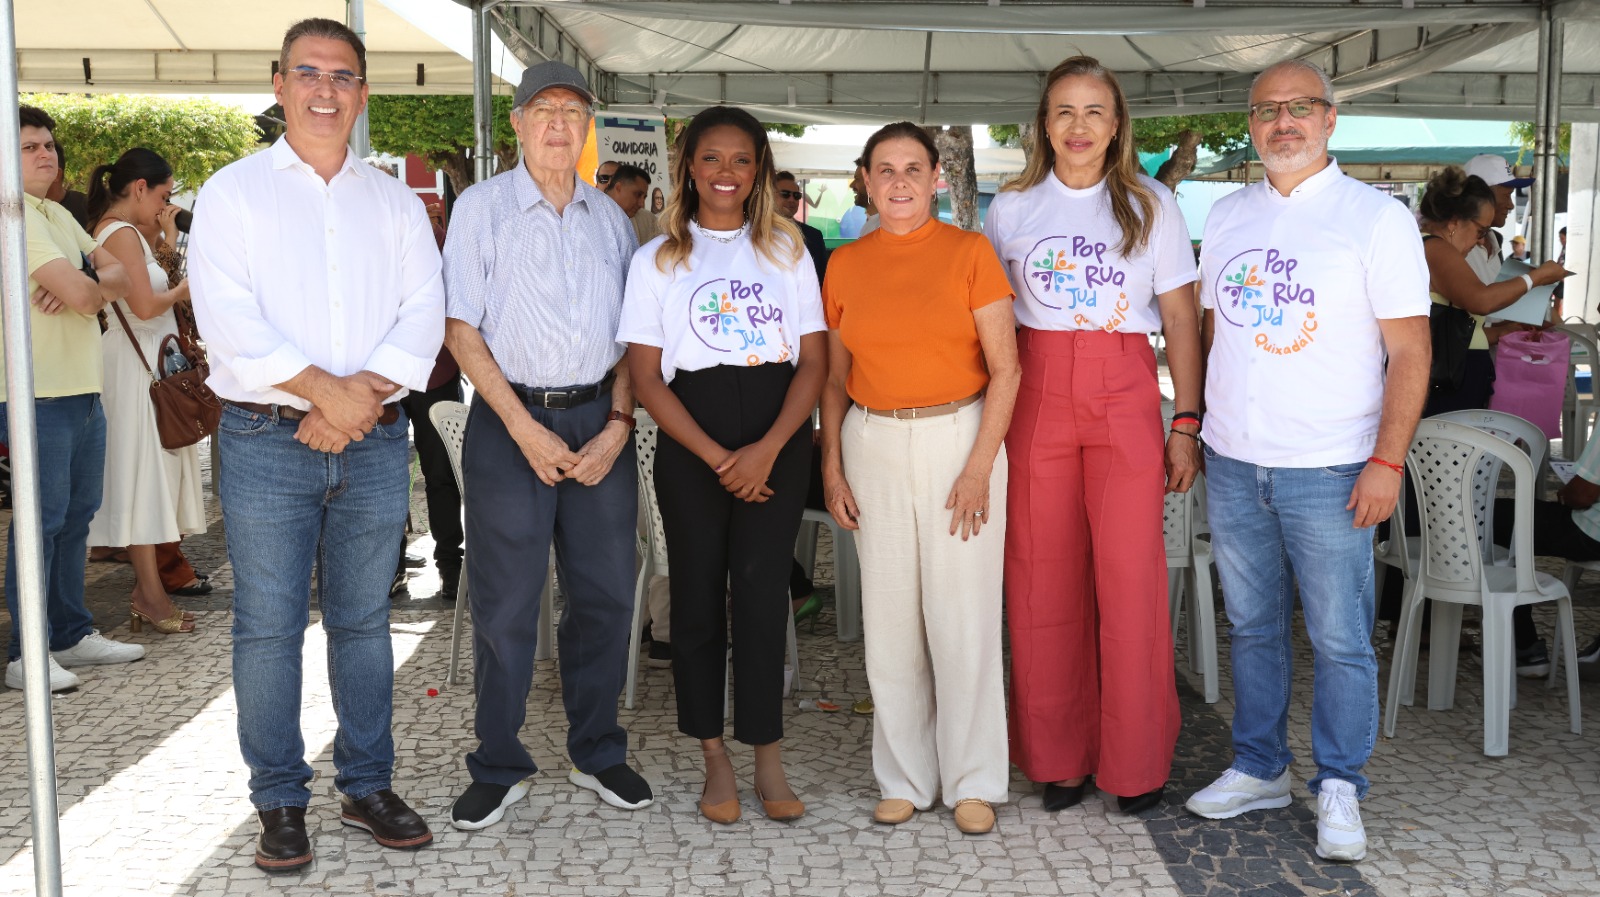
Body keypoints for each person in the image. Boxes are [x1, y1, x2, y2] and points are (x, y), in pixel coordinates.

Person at [188, 18, 443, 871]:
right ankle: (279, 797)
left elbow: (424, 310)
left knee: (365, 621)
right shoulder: (233, 192)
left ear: (362, 92)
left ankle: (366, 783)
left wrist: (352, 403)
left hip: (371, 441)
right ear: (279, 83)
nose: (325, 89)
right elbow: (227, 316)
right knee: (267, 626)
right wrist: (328, 394)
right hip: (266, 437)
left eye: (342, 75)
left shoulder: (394, 200)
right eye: (308, 72)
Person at [1184, 60, 1431, 864]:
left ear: (1330, 119)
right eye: (1267, 110)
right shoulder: (1226, 215)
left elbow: (1411, 351)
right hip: (1234, 460)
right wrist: (1200, 427)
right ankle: (1260, 765)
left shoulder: (1376, 219)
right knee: (1253, 625)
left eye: (1300, 107)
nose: (1282, 122)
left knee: (1340, 636)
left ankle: (1340, 782)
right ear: (1251, 124)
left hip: (1332, 466)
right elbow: (1215, 335)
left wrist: (1387, 460)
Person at [442, 59, 653, 831]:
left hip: (599, 420)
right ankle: (499, 763)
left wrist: (619, 424)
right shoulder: (482, 209)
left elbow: (634, 336)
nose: (559, 124)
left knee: (606, 594)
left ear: (587, 125)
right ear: (518, 123)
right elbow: (460, 329)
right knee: (505, 604)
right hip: (510, 422)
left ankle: (596, 749)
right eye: (544, 110)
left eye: (572, 110)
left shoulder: (611, 219)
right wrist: (523, 426)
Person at [984, 55, 1196, 816]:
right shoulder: (1011, 206)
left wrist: (1186, 420)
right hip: (1035, 386)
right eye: (1064, 111)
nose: (1079, 126)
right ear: (1045, 124)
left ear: (1116, 124)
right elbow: (991, 319)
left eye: (1094, 111)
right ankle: (1058, 758)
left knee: (1130, 577)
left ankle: (1136, 762)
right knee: (1041, 575)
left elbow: (1180, 319)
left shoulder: (1151, 203)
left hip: (1124, 387)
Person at [620, 106, 827, 825]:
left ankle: (767, 752)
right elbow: (645, 376)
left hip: (777, 431)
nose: (726, 173)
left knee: (764, 594)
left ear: (760, 169)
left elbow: (814, 362)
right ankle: (713, 752)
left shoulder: (787, 250)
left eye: (742, 159)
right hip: (691, 436)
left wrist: (767, 448)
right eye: (712, 158)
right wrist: (716, 457)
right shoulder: (656, 259)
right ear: (688, 167)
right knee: (698, 598)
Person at [819, 121, 1020, 836]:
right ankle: (904, 777)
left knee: (963, 617)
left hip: (959, 436)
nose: (898, 181)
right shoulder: (844, 264)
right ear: (865, 181)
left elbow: (1006, 369)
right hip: (871, 439)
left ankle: (974, 779)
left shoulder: (970, 252)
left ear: (937, 177)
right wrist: (831, 464)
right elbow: (834, 379)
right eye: (885, 169)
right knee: (890, 618)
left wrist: (978, 465)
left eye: (912, 168)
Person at [3, 105, 141, 693]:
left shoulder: (55, 212)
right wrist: (87, 286)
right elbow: (91, 295)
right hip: (35, 392)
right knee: (41, 524)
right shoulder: (13, 214)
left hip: (82, 389)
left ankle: (68, 634)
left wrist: (85, 282)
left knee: (76, 518)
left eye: (49, 145)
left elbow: (120, 277)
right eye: (29, 146)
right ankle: (26, 653)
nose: (46, 154)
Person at [84, 148, 207, 636]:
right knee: (141, 480)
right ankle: (149, 596)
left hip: (145, 364)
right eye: (163, 194)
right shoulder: (118, 233)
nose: (166, 204)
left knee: (149, 478)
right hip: (138, 368)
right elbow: (145, 304)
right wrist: (184, 289)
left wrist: (167, 240)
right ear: (139, 188)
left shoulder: (128, 232)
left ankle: (150, 593)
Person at [1417, 167, 1566, 414]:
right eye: (1480, 231)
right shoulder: (1436, 248)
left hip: (1455, 382)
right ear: (1454, 222)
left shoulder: (1430, 246)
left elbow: (1451, 332)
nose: (1479, 241)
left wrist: (1503, 331)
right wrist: (1536, 277)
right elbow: (1481, 300)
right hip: (1446, 389)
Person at [774, 170, 828, 283]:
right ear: (770, 196)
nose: (792, 200)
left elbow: (822, 279)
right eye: (785, 194)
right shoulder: (756, 234)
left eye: (796, 196)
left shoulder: (814, 236)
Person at [603, 163, 662, 243]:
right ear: (618, 187)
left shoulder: (648, 220)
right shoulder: (591, 216)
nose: (641, 204)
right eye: (638, 194)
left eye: (644, 197)